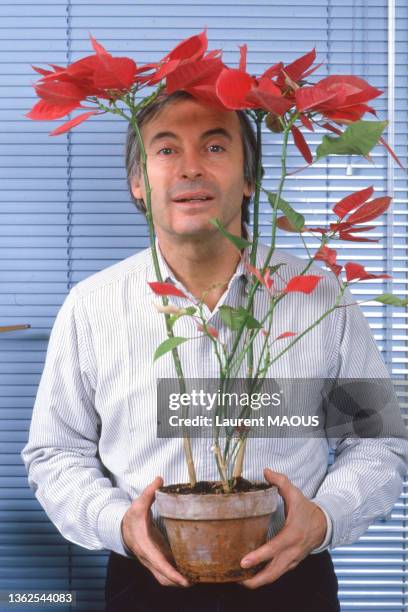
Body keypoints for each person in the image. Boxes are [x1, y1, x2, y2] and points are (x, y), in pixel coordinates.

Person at [21, 91, 408, 612]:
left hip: (294, 582)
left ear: (250, 179)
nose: (190, 169)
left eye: (215, 148)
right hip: (145, 582)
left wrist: (324, 518)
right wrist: (117, 523)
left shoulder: (322, 295)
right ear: (138, 183)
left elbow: (379, 442)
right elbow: (56, 453)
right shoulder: (91, 308)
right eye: (165, 150)